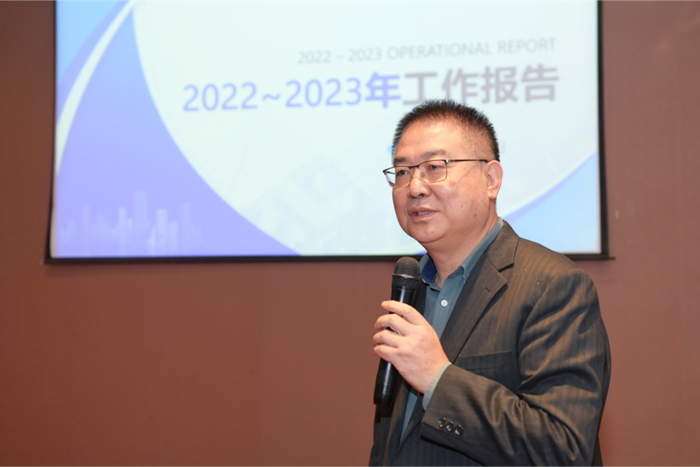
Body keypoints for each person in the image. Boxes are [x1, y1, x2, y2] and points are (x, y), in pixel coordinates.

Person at [370, 100, 611, 467]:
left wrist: (437, 378)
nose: (414, 187)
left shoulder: (554, 287)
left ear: (491, 180)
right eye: (402, 172)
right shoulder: (412, 285)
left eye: (435, 167)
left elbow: (563, 449)